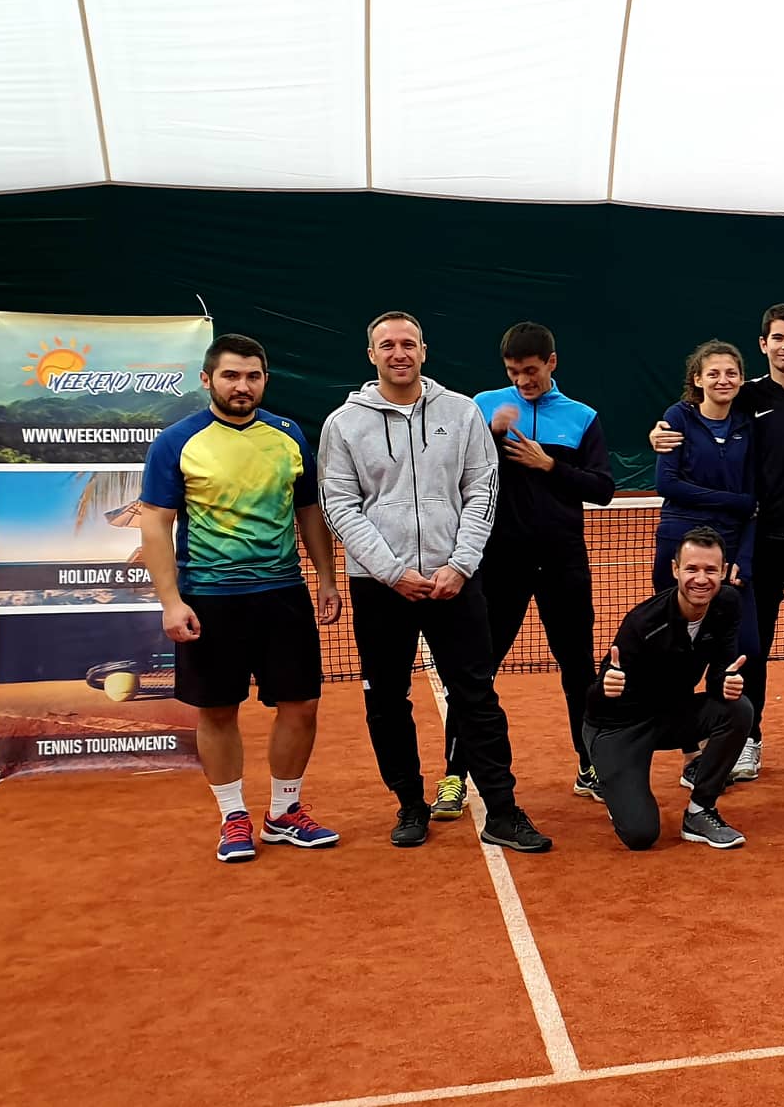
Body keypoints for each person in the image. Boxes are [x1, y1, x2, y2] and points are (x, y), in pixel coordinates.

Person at [318, 310, 550, 853]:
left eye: (409, 344)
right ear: (371, 355)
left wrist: (460, 565)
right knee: (387, 699)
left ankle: (503, 811)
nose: (399, 353)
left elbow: (482, 489)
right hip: (381, 588)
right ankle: (409, 804)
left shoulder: (462, 412)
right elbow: (339, 505)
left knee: (476, 696)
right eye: (387, 345)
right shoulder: (343, 424)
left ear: (424, 351)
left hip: (456, 583)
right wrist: (392, 572)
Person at [139, 333, 343, 863]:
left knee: (302, 705)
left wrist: (326, 578)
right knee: (218, 710)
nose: (242, 386)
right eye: (231, 375)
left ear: (265, 380)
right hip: (209, 598)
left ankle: (283, 813)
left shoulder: (288, 435)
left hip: (283, 594)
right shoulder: (176, 442)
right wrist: (170, 601)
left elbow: (309, 512)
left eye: (253, 376)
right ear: (207, 379)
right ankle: (233, 816)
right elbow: (156, 523)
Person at [649, 304, 784, 780]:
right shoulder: (746, 396)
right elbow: (699, 414)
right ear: (764, 344)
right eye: (777, 338)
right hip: (759, 547)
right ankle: (751, 740)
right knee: (752, 650)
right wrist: (660, 431)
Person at [429, 322, 614, 822]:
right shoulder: (483, 406)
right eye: (514, 372)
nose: (523, 381)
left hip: (563, 563)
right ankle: (454, 775)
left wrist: (548, 464)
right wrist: (490, 435)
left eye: (530, 371)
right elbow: (454, 468)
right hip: (499, 565)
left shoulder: (582, 417)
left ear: (552, 362)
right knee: (476, 672)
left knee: (578, 670)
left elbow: (602, 489)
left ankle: (590, 765)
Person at [585, 527, 753, 851]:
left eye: (710, 570)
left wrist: (726, 683)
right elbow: (594, 702)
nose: (701, 579)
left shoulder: (727, 604)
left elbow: (718, 676)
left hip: (670, 715)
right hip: (619, 726)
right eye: (691, 569)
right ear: (675, 570)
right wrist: (606, 687)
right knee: (640, 835)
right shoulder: (643, 624)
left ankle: (700, 811)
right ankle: (614, 783)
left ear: (723, 572)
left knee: (738, 709)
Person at [652, 340, 761, 790]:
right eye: (713, 373)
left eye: (731, 373)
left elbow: (755, 505)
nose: (722, 380)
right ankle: (691, 754)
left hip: (730, 553)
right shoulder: (677, 419)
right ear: (697, 379)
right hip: (679, 546)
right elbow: (668, 483)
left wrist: (743, 558)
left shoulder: (747, 426)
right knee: (679, 654)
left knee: (742, 647)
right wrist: (735, 502)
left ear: (742, 379)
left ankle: (730, 744)